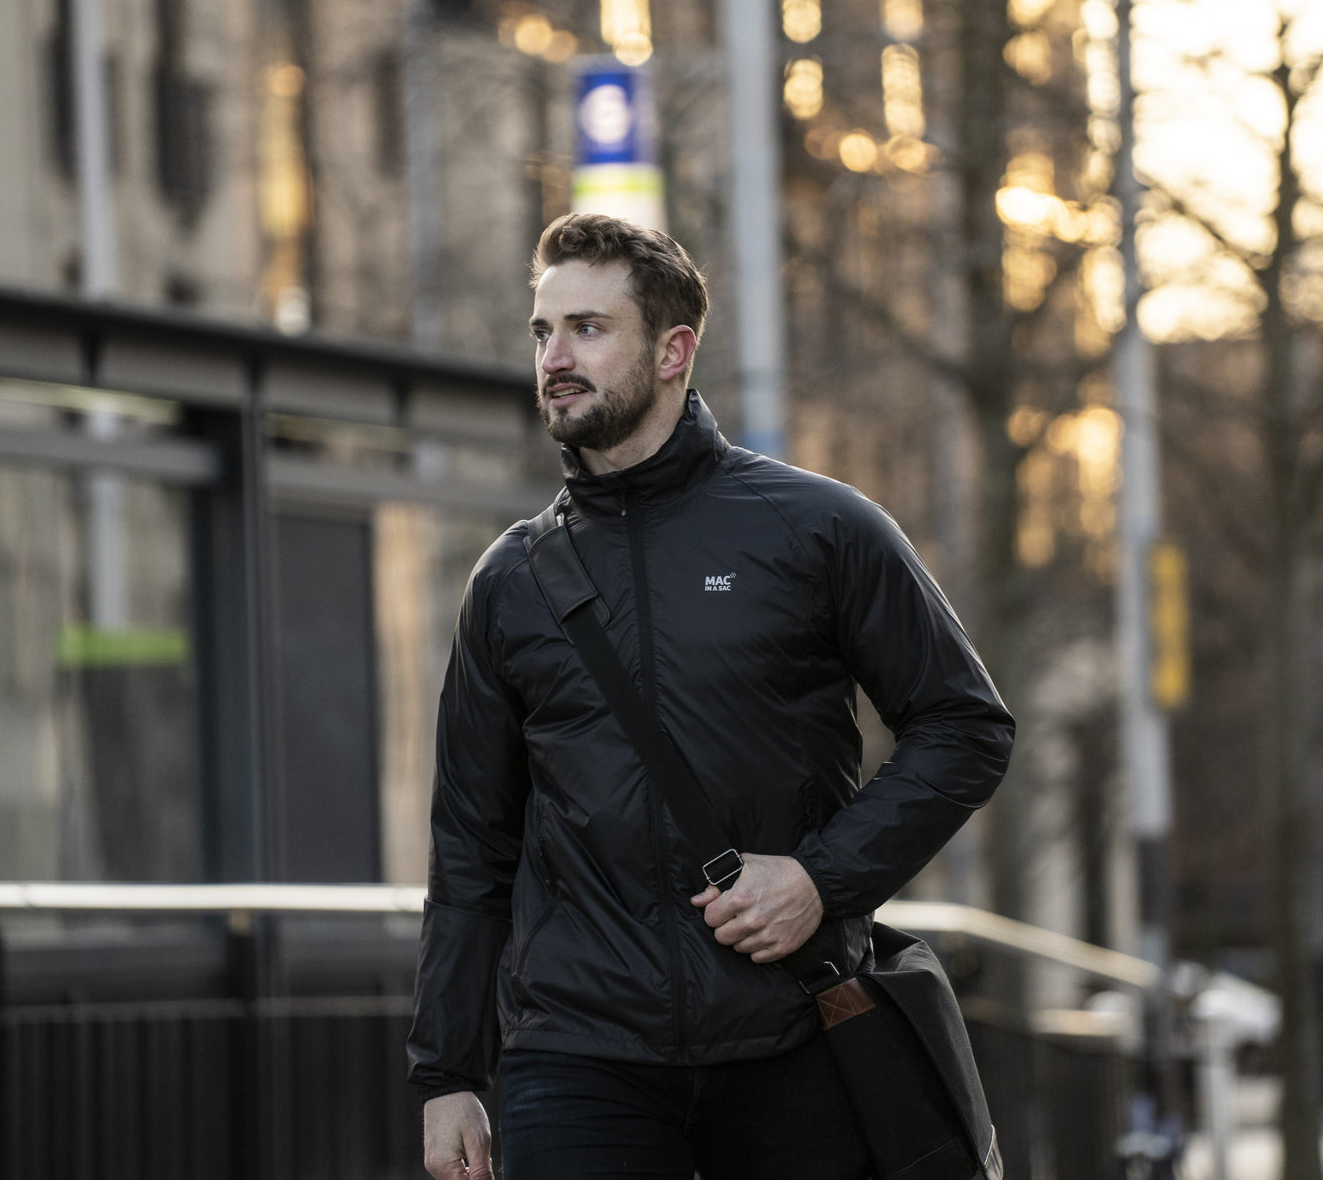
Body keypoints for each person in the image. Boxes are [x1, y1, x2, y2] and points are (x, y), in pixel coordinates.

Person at [408, 214, 1013, 1180]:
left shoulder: (817, 528)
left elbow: (965, 726)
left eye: (589, 329)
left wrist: (822, 880)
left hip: (797, 1031)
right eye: (542, 332)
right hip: (578, 1056)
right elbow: (472, 843)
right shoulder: (511, 580)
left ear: (673, 351)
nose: (555, 358)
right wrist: (447, 1073)